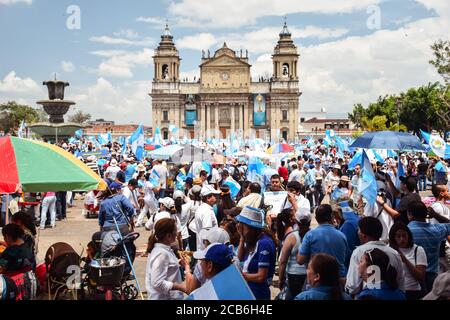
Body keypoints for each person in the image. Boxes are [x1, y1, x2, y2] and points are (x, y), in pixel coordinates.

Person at [345, 217, 405, 296]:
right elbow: (400, 283)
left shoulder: (359, 252)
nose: (358, 232)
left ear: (363, 235)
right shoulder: (394, 253)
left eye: (359, 230)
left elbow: (353, 286)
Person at [407, 200, 450, 293]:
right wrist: (436, 215)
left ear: (410, 214)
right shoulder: (437, 230)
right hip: (432, 276)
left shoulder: (405, 232)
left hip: (412, 276)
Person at [297, 204, 348, 280]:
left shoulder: (310, 235)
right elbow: (344, 258)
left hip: (318, 280)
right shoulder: (342, 236)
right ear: (332, 216)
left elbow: (300, 260)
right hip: (338, 280)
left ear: (316, 218)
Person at [236, 206, 276, 300]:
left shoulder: (264, 243)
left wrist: (241, 276)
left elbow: (261, 276)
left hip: (258, 294)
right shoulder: (252, 240)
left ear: (250, 228)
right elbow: (240, 258)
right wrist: (242, 238)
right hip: (250, 291)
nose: (239, 227)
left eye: (242, 225)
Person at [145, 218, 186, 300]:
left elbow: (166, 267)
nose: (177, 233)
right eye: (175, 231)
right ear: (168, 236)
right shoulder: (161, 254)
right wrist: (180, 287)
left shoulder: (163, 250)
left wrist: (177, 262)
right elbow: (157, 283)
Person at [388, 222, 427, 300]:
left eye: (404, 235)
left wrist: (405, 260)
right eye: (398, 236)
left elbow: (421, 276)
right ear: (393, 238)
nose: (402, 239)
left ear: (409, 236)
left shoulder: (418, 250)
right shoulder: (389, 250)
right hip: (395, 291)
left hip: (413, 292)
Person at [278, 208, 311, 299]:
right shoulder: (313, 235)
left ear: (296, 221)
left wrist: (281, 279)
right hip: (310, 275)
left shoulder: (291, 237)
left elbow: (283, 261)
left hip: (293, 275)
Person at [332, 201, 360, 267]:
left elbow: (347, 247)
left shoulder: (348, 224)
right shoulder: (354, 218)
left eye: (335, 214)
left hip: (350, 263)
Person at [429, 184, 450, 273]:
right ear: (441, 193)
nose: (449, 192)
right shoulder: (441, 208)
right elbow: (445, 228)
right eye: (447, 190)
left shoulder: (435, 206)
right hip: (443, 247)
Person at [195, 185, 220, 249]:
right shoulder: (207, 211)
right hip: (207, 251)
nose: (217, 197)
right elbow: (207, 235)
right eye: (214, 195)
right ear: (208, 198)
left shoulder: (202, 208)